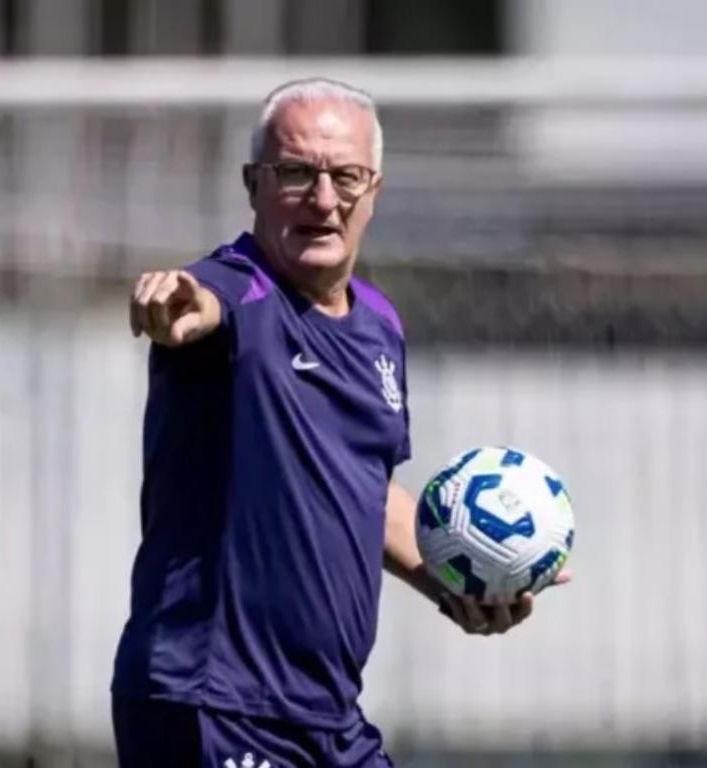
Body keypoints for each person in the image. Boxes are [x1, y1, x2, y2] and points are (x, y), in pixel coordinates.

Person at [113, 78, 567, 768]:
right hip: (214, 704)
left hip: (325, 715)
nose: (324, 200)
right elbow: (203, 301)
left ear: (373, 191)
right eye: (296, 173)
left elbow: (363, 490)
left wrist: (458, 583)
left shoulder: (379, 325)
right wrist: (178, 302)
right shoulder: (239, 292)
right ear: (254, 185)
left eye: (346, 177)